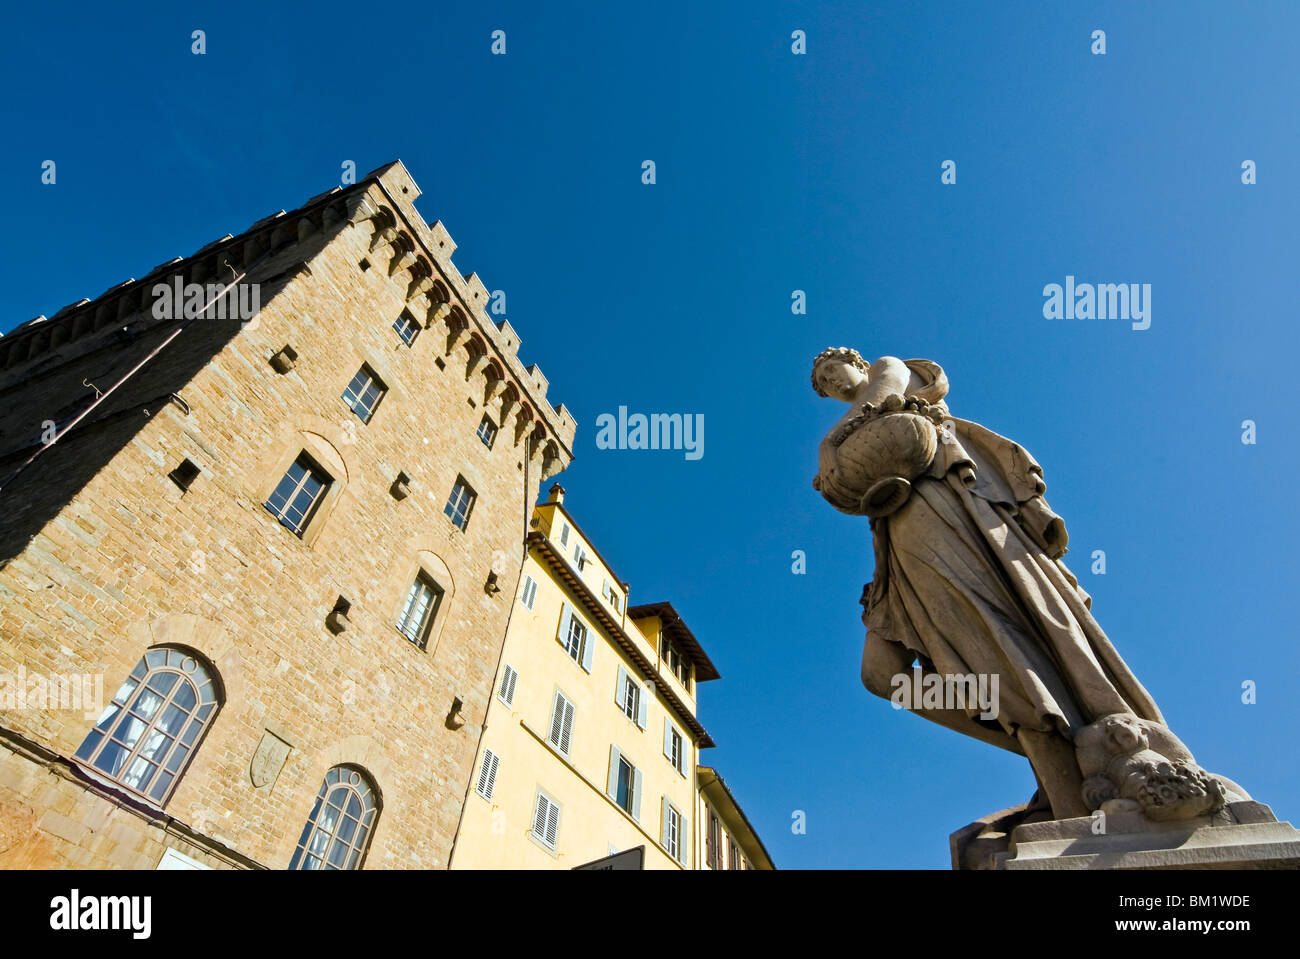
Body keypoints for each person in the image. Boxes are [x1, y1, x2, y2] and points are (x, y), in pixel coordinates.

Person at [811, 348, 1167, 818]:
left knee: (992, 633)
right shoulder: (858, 436)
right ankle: (1034, 742)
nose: (830, 382)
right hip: (896, 525)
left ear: (854, 363)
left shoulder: (886, 369)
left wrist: (828, 446)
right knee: (884, 675)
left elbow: (883, 393)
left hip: (942, 495)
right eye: (822, 384)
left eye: (831, 370)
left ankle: (1065, 765)